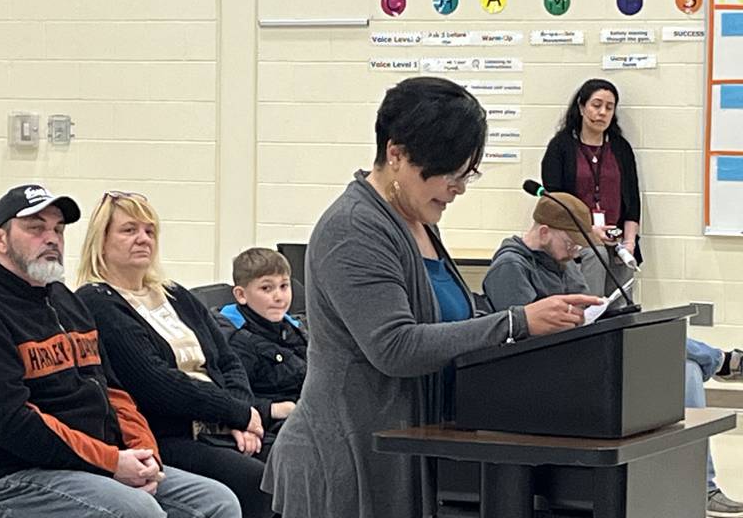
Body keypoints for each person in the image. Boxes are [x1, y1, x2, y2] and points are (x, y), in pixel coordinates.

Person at [260, 76, 602, 518]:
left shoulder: (419, 221)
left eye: (466, 174)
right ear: (396, 154)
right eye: (449, 174)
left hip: (397, 448)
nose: (458, 188)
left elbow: (447, 321)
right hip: (345, 460)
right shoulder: (354, 228)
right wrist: (515, 322)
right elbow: (395, 347)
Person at [0, 184, 241, 518]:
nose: (52, 238)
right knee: (139, 512)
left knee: (217, 501)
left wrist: (145, 452)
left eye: (58, 229)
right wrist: (111, 462)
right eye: (36, 228)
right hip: (13, 477)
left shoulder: (66, 301)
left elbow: (113, 390)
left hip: (95, 464)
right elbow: (14, 424)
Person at [483, 191, 743, 518]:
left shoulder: (562, 262)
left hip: (582, 352)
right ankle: (721, 360)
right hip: (552, 373)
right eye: (571, 243)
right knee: (655, 343)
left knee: (686, 368)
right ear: (545, 232)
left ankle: (699, 486)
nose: (575, 252)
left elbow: (584, 307)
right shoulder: (510, 267)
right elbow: (522, 340)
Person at [75, 192, 278, 518]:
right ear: (102, 240)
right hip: (171, 433)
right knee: (261, 482)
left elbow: (228, 361)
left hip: (223, 424)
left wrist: (243, 418)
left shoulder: (174, 294)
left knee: (299, 463)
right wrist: (236, 414)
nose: (143, 238)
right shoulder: (97, 301)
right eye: (129, 230)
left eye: (149, 230)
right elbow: (155, 382)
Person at [541, 78, 641, 297]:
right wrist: (588, 231)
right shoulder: (560, 146)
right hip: (576, 238)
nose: (602, 112)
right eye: (596, 105)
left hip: (616, 239)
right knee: (596, 256)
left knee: (622, 277)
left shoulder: (621, 148)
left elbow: (633, 201)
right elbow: (554, 203)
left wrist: (629, 243)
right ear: (581, 107)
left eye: (609, 107)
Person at [213, 248, 306, 425]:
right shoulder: (233, 339)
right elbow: (229, 398)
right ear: (241, 295)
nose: (279, 297)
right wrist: (270, 409)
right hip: (271, 424)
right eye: (266, 288)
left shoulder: (295, 328)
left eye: (284, 286)